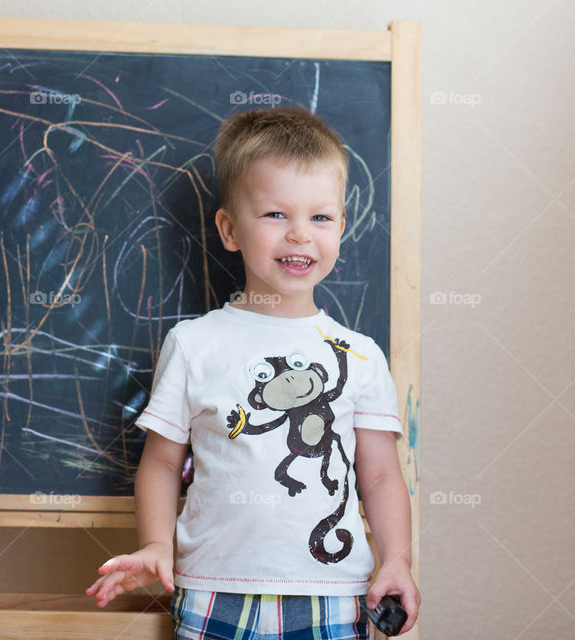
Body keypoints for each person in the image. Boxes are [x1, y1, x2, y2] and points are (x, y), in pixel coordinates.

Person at [85, 106, 420, 638]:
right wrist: (154, 544)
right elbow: (162, 463)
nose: (299, 236)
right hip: (213, 588)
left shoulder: (359, 354)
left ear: (341, 226)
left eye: (320, 217)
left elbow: (380, 475)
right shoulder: (194, 344)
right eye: (275, 215)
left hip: (333, 597)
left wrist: (397, 560)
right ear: (229, 228)